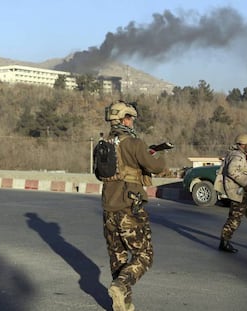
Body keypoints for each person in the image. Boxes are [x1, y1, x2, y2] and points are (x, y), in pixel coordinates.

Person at [100, 101, 166, 311]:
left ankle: (123, 303)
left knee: (118, 257)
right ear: (124, 119)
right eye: (130, 118)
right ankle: (121, 285)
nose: (132, 122)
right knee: (144, 255)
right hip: (130, 207)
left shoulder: (103, 144)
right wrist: (157, 154)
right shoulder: (134, 143)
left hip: (108, 208)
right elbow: (156, 166)